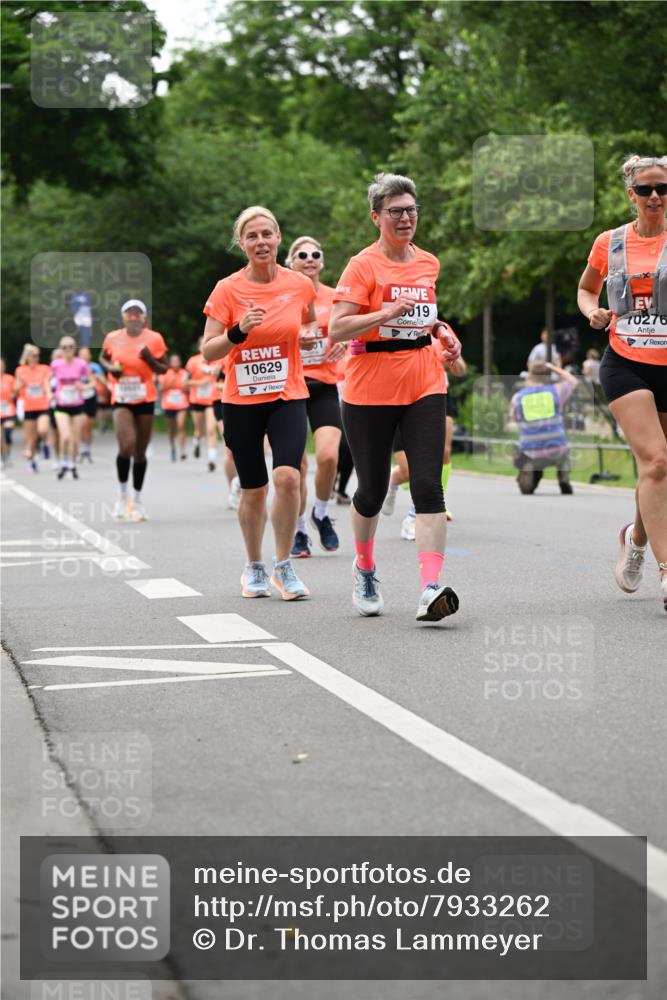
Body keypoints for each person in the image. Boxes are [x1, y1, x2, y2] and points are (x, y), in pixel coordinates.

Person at [329, 172, 462, 622]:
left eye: (411, 210)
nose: (406, 218)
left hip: (425, 380)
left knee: (428, 485)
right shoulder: (361, 266)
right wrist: (383, 312)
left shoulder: (428, 262)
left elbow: (425, 317)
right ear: (376, 217)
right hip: (370, 388)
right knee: (370, 489)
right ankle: (365, 566)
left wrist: (442, 331)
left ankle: (430, 588)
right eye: (396, 212)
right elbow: (338, 327)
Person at [201, 205, 318, 600]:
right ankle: (254, 565)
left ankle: (283, 566)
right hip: (242, 400)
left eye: (267, 234)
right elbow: (208, 351)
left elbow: (312, 319)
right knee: (254, 488)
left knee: (289, 476)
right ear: (241, 243)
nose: (260, 242)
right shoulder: (227, 289)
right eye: (251, 236)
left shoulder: (299, 284)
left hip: (287, 394)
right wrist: (238, 331)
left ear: (279, 237)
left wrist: (305, 335)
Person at [578, 153, 667, 611]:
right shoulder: (610, 242)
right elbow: (586, 287)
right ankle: (666, 570)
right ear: (631, 194)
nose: (655, 197)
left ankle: (634, 539)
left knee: (660, 469)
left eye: (663, 189)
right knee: (655, 461)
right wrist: (592, 309)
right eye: (646, 189)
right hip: (626, 361)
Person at [285, 235, 346, 557]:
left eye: (315, 254)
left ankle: (320, 513)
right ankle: (298, 531)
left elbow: (352, 329)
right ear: (290, 262)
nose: (309, 258)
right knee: (295, 467)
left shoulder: (336, 297)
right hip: (291, 387)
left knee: (328, 457)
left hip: (324, 385)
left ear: (322, 262)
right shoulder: (282, 298)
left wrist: (345, 343)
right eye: (301, 254)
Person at [384, 330, 466, 534]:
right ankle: (393, 483)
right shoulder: (394, 324)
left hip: (436, 395)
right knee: (407, 469)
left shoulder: (440, 329)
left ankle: (422, 511)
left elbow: (461, 369)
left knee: (440, 453)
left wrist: (453, 358)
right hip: (400, 396)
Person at [100, 299, 168, 521]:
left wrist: (149, 359)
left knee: (140, 452)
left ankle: (137, 500)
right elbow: (103, 357)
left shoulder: (154, 338)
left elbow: (164, 367)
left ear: (145, 318)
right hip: (121, 397)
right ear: (123, 317)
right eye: (129, 313)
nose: (133, 317)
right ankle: (121, 497)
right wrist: (111, 368)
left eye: (137, 314)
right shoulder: (113, 338)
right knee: (126, 445)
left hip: (145, 397)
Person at [509, 360, 577, 494]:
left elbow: (515, 418)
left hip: (531, 452)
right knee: (565, 452)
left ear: (529, 376)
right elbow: (573, 381)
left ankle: (529, 472)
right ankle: (563, 475)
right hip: (557, 450)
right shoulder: (556, 391)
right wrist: (554, 368)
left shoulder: (518, 397)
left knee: (521, 454)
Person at [50, 336, 91, 479]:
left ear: (74, 349)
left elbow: (92, 382)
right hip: (61, 405)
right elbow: (47, 380)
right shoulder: (56, 364)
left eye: (70, 347)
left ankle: (72, 465)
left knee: (75, 439)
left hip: (77, 405)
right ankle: (63, 462)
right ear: (60, 350)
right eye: (64, 347)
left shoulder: (81, 364)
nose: (67, 350)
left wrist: (83, 386)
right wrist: (50, 393)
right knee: (65, 436)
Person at [14, 344, 52, 472]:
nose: (36, 358)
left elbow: (47, 384)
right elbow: (15, 389)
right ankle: (32, 461)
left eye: (37, 356)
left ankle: (45, 444)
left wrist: (49, 393)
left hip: (42, 405)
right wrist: (21, 384)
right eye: (33, 356)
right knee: (31, 438)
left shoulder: (44, 368)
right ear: (27, 357)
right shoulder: (20, 370)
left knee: (42, 429)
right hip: (29, 407)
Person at [186, 337, 220, 471]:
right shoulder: (193, 361)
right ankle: (197, 442)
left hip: (211, 401)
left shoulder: (217, 359)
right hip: (197, 400)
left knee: (211, 430)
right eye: (203, 344)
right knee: (199, 430)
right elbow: (185, 382)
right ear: (200, 347)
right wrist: (200, 383)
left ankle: (211, 460)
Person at [159, 353, 190, 461]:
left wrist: (187, 387)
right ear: (170, 363)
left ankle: (182, 451)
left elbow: (188, 388)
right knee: (171, 428)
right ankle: (172, 447)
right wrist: (169, 384)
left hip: (182, 403)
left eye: (177, 361)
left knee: (181, 425)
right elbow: (160, 389)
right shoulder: (165, 373)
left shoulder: (184, 373)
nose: (175, 363)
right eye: (173, 361)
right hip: (169, 404)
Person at [77, 346, 102, 462]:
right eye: (82, 354)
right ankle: (82, 447)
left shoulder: (95, 367)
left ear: (90, 356)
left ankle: (87, 447)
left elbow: (102, 380)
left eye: (86, 354)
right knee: (83, 423)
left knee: (89, 425)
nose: (84, 356)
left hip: (91, 397)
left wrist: (99, 379)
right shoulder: (75, 366)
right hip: (79, 398)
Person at [0, 358, 16, 468]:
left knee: (8, 434)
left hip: (8, 410)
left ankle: (8, 454)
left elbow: (15, 392)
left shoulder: (10, 379)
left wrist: (13, 395)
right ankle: (2, 458)